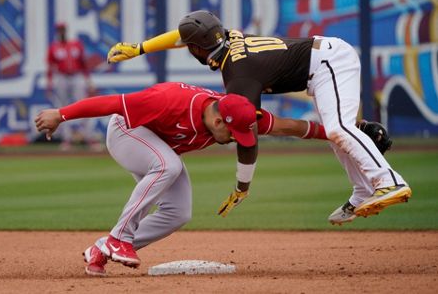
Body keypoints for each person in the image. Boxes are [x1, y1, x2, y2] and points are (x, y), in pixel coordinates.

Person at [106, 10, 412, 225]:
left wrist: (242, 186)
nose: (187, 47)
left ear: (198, 50)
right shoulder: (229, 38)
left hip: (329, 62)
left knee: (338, 129)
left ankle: (389, 181)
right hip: (322, 63)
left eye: (191, 47)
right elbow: (186, 34)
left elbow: (247, 137)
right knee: (338, 135)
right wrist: (141, 48)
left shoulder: (238, 76)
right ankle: (361, 192)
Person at [35, 81, 328, 276]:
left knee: (178, 212)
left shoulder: (238, 115)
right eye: (233, 134)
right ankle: (117, 239)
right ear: (217, 121)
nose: (236, 139)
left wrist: (339, 133)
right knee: (168, 166)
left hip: (155, 148)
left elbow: (287, 126)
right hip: (126, 132)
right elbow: (113, 102)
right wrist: (61, 114)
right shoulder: (169, 100)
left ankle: (101, 249)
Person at [46, 22, 100, 151]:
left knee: (84, 106)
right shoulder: (54, 47)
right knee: (62, 109)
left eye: (63, 29)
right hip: (62, 77)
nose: (62, 32)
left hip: (77, 76)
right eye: (59, 30)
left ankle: (89, 138)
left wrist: (89, 81)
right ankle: (67, 139)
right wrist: (49, 84)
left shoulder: (75, 45)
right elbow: (50, 67)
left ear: (66, 30)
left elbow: (84, 64)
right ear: (57, 32)